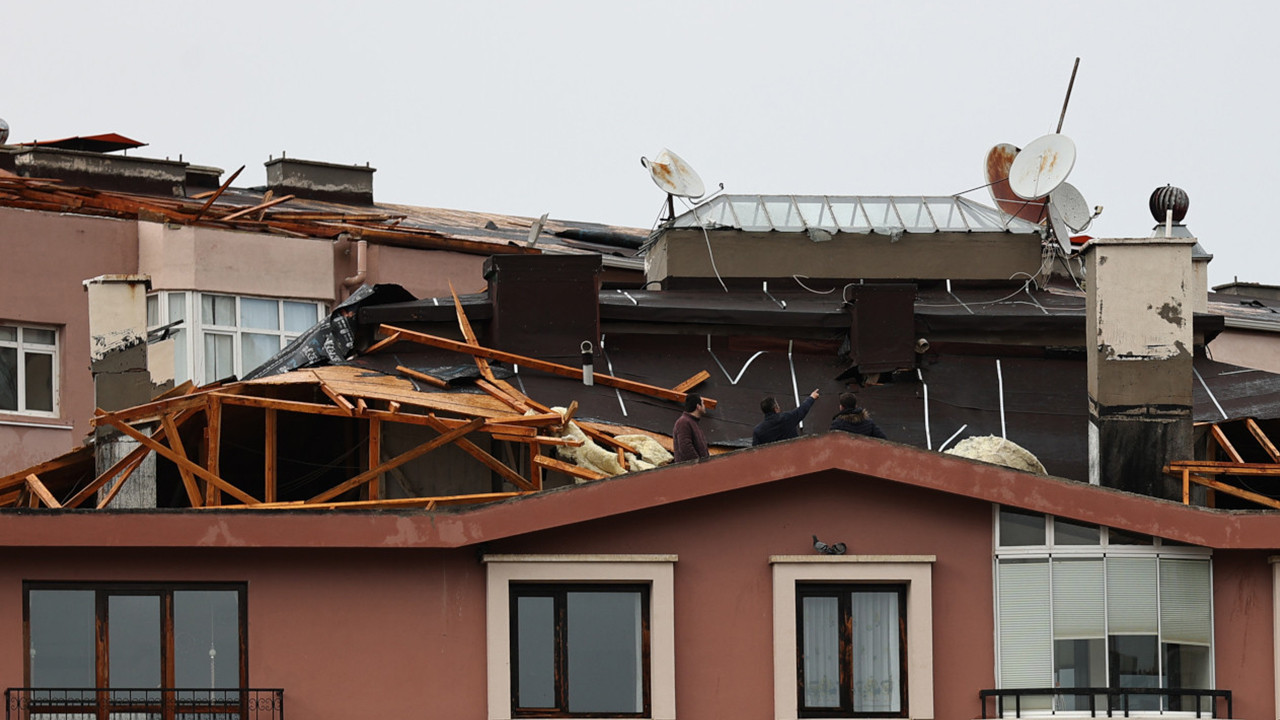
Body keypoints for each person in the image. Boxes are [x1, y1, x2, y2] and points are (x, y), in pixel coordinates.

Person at [752, 389, 820, 446]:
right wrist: (812, 397)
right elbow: (802, 410)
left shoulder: (758, 431)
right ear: (776, 409)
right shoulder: (787, 418)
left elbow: (754, 451)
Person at [672, 393, 710, 462]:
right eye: (703, 403)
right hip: (689, 470)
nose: (704, 406)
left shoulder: (693, 423)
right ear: (698, 406)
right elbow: (685, 447)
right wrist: (699, 465)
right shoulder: (683, 422)